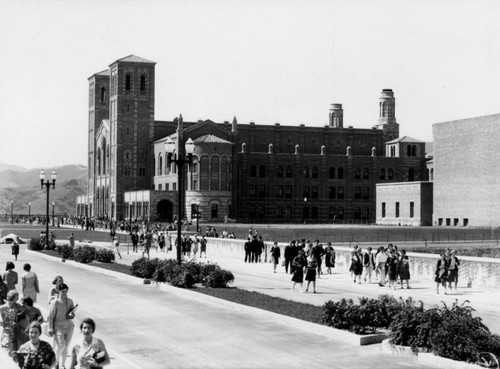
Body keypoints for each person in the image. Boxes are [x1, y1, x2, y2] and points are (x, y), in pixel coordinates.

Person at [48, 283, 76, 369]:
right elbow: (51, 317)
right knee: (61, 346)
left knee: (66, 346)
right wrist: (50, 328)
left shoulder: (70, 301)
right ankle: (56, 362)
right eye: (63, 291)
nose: (64, 292)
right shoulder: (55, 302)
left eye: (66, 291)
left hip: (69, 326)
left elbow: (72, 314)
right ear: (59, 291)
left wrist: (72, 315)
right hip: (58, 327)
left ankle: (63, 365)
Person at [0, 290, 25, 357]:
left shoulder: (18, 307)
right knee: (7, 352)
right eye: (17, 297)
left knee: (16, 353)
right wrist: (1, 323)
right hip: (7, 333)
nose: (18, 299)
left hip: (16, 333)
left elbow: (24, 315)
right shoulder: (2, 308)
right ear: (12, 298)